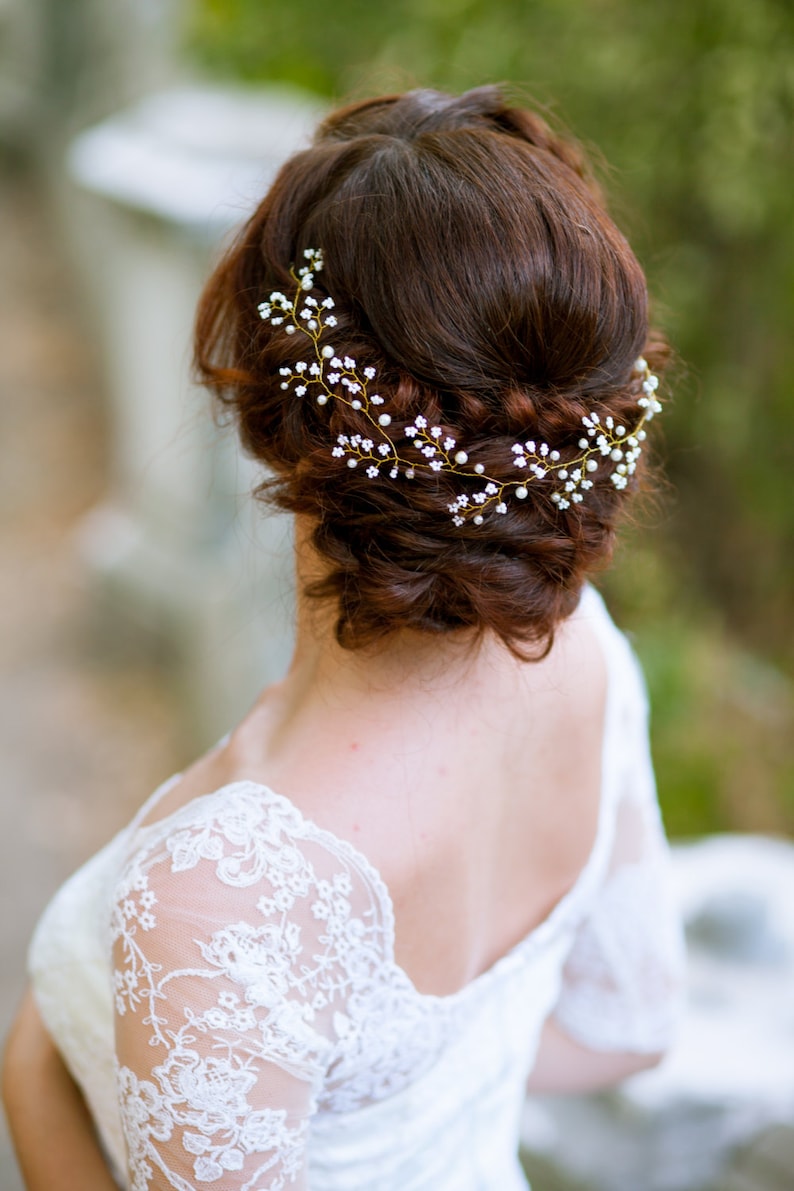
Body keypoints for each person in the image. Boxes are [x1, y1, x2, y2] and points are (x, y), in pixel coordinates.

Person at [3, 86, 685, 1190]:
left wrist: (35, 1074)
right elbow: (626, 1028)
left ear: (278, 413)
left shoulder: (228, 891)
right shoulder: (583, 659)